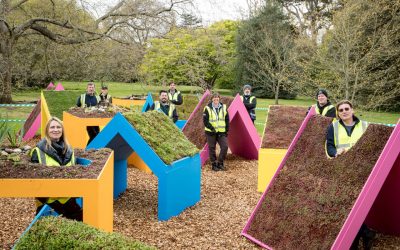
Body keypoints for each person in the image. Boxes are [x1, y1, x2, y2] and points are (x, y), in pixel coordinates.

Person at [325, 100, 374, 249]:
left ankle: (357, 237)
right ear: (338, 113)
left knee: (357, 205)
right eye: (341, 110)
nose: (344, 111)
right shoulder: (332, 127)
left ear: (352, 110)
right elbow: (329, 146)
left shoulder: (365, 126)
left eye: (347, 109)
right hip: (342, 170)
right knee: (347, 205)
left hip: (362, 171)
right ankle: (364, 233)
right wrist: (335, 153)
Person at [30, 117, 82, 221]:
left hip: (69, 201)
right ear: (47, 131)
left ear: (62, 130)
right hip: (48, 203)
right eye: (52, 127)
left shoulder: (70, 151)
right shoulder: (38, 151)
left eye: (58, 127)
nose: (55, 129)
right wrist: (46, 199)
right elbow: (33, 180)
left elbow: (75, 174)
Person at [203, 92, 229, 171]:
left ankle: (220, 162)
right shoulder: (207, 108)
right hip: (211, 132)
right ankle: (214, 164)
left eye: (217, 99)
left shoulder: (224, 107)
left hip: (221, 132)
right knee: (212, 148)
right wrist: (212, 129)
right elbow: (205, 121)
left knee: (225, 147)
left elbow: (227, 119)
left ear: (219, 99)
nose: (216, 100)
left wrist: (226, 130)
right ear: (211, 100)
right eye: (214, 99)